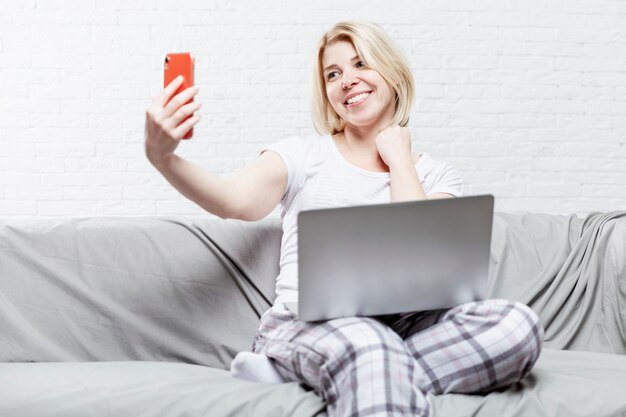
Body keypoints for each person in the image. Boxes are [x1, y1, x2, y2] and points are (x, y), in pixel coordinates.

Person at [145, 21, 544, 417]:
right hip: (304, 322)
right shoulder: (303, 156)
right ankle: (347, 364)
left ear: (392, 72)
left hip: (404, 327)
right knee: (367, 342)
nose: (347, 80)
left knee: (515, 327)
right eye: (333, 74)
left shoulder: (438, 176)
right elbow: (233, 200)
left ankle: (328, 376)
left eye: (360, 64)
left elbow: (419, 265)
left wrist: (400, 159)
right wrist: (164, 158)